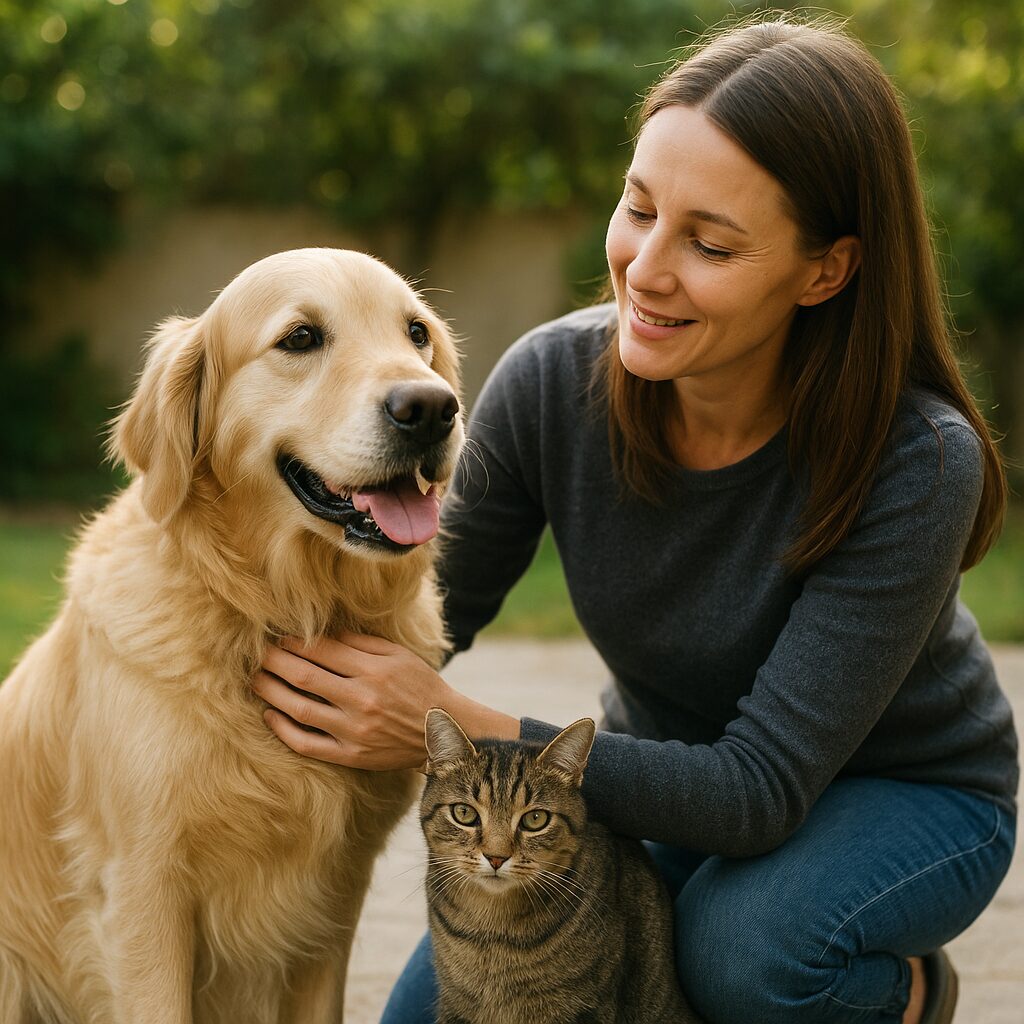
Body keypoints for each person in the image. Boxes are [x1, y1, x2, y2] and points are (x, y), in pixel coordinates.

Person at [252, 14, 1018, 1024]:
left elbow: (757, 790)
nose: (646, 269)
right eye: (639, 208)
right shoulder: (548, 384)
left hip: (900, 796)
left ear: (825, 270)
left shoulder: (914, 462)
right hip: (656, 787)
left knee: (742, 954)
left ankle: (902, 993)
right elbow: (415, 613)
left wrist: (454, 722)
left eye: (708, 242)